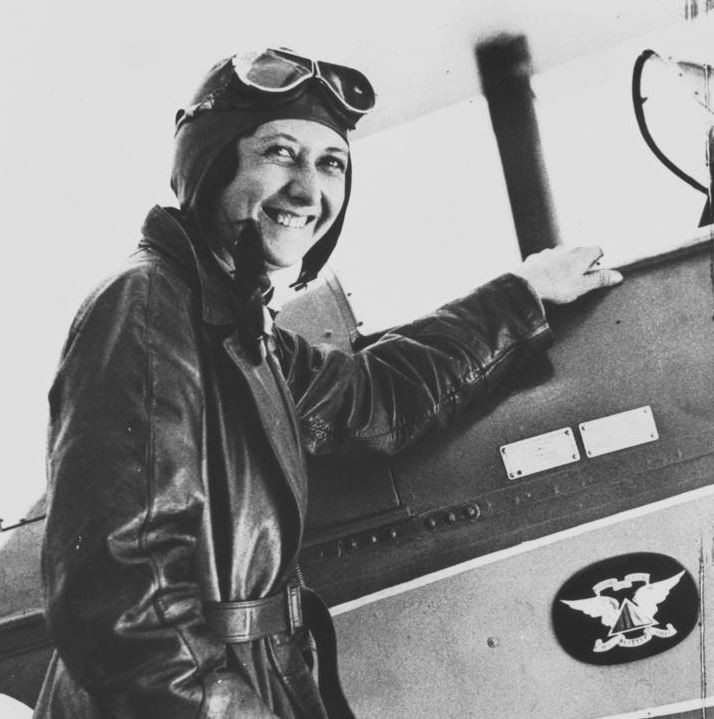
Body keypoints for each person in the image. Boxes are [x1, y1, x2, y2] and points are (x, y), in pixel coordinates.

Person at [33, 48, 622, 719]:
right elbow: (122, 594)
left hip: (248, 679)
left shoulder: (233, 320)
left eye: (331, 163)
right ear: (211, 158)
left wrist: (519, 297)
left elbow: (374, 398)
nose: (309, 188)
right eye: (280, 152)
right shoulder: (148, 306)